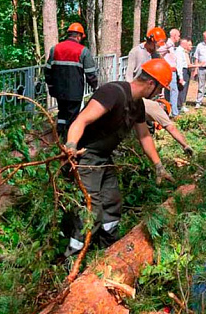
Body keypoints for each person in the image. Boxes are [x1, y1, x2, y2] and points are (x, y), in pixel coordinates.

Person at [63, 59, 175, 256]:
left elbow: (144, 136)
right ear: (151, 84)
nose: (159, 94)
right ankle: (73, 257)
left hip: (104, 158)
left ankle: (107, 251)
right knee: (90, 210)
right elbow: (82, 119)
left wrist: (159, 166)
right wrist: (71, 145)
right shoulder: (112, 93)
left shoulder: (137, 105)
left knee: (112, 203)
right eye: (159, 89)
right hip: (85, 157)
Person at [44, 23, 99, 140]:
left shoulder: (55, 49)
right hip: (75, 91)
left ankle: (58, 137)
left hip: (59, 90)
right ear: (78, 36)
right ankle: (69, 141)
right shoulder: (83, 51)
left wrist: (51, 86)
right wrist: (95, 87)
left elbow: (47, 70)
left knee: (62, 112)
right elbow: (90, 74)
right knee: (72, 116)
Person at [161, 29, 181, 117]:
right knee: (174, 91)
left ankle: (169, 110)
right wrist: (166, 47)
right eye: (178, 36)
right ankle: (174, 112)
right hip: (169, 70)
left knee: (170, 91)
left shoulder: (171, 46)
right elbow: (159, 51)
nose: (179, 38)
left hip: (172, 70)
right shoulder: (168, 44)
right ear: (174, 35)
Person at [175, 38, 192, 113]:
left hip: (184, 71)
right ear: (183, 44)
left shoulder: (183, 51)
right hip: (182, 70)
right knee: (181, 88)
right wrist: (181, 76)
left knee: (184, 89)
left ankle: (181, 104)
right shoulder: (179, 51)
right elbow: (179, 64)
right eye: (187, 44)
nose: (188, 45)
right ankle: (179, 106)